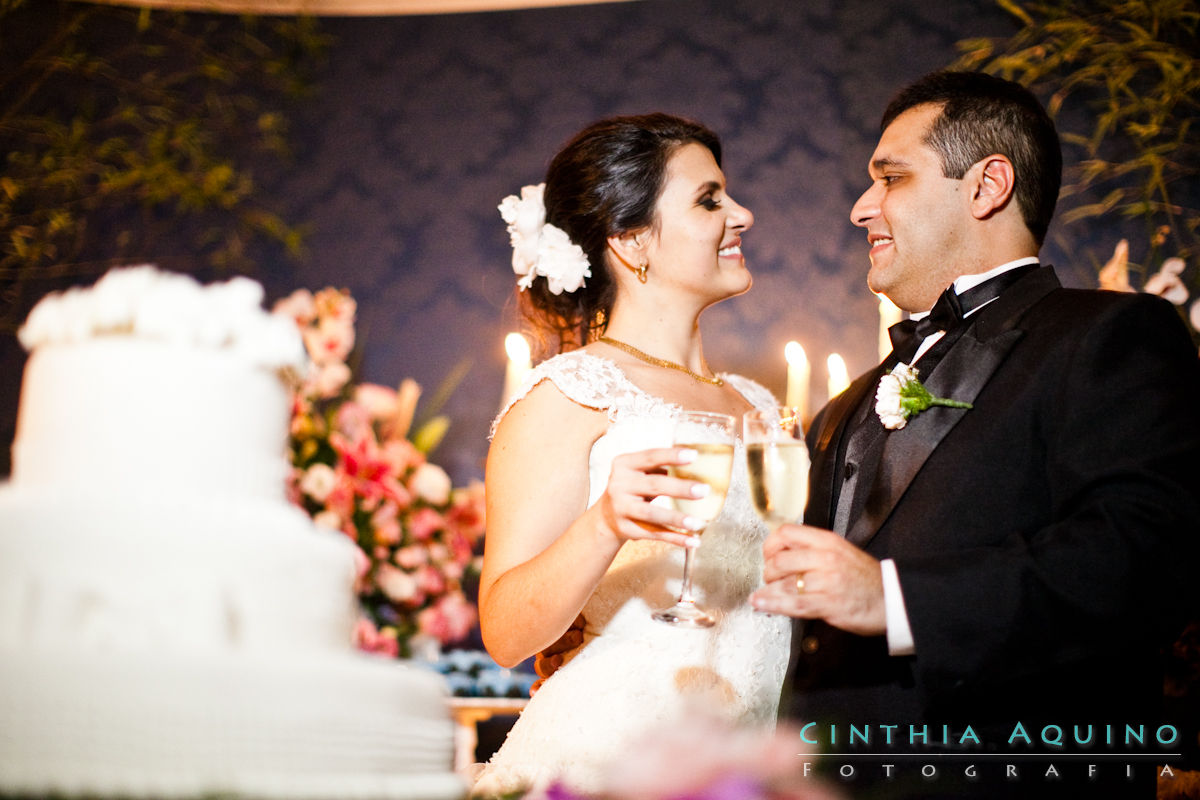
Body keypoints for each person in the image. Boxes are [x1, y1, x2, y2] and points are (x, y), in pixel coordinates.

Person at [750, 70, 1200, 798]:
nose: (862, 207)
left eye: (891, 178)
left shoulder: (1111, 335)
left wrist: (896, 599)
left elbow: (1142, 556)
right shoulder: (843, 407)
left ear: (988, 186)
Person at [472, 113, 792, 795]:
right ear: (630, 239)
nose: (742, 214)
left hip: (739, 769)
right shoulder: (570, 394)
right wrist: (604, 524)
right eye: (709, 199)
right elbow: (504, 632)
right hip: (603, 765)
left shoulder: (762, 408)